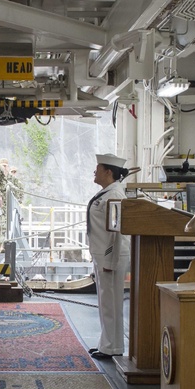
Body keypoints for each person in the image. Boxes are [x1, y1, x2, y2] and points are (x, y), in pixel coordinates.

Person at [86, 154, 131, 361]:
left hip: (110, 257)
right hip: (103, 256)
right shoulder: (107, 193)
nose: (94, 171)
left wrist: (109, 261)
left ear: (108, 172)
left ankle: (112, 347)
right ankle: (107, 344)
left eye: (98, 168)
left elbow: (117, 232)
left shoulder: (116, 196)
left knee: (111, 303)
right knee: (106, 302)